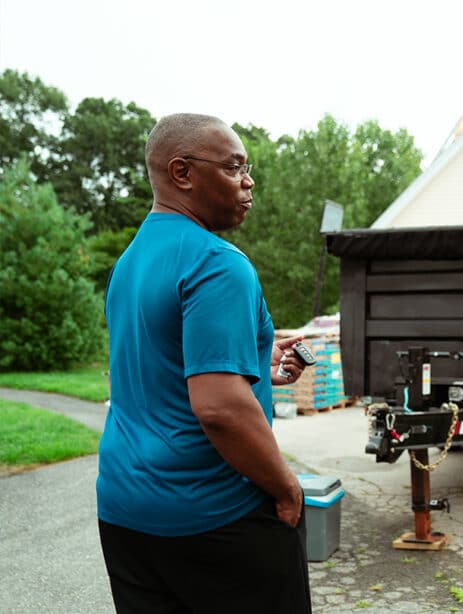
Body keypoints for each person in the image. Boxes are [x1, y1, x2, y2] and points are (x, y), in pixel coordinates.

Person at [97, 113, 312, 613]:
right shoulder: (217, 263)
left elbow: (161, 368)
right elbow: (219, 408)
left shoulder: (130, 263)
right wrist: (285, 487)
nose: (248, 180)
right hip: (216, 518)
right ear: (182, 173)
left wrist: (260, 360)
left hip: (126, 512)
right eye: (235, 167)